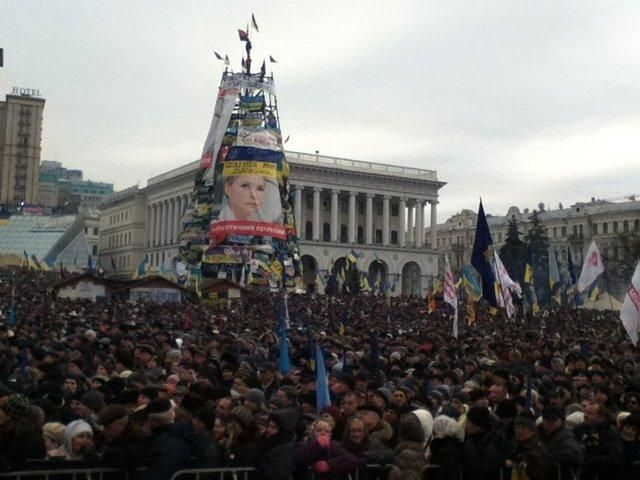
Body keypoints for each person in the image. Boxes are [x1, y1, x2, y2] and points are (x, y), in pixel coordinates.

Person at [294, 417, 359, 480]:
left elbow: (352, 460)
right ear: (313, 432)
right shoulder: (305, 444)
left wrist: (329, 465)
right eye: (319, 430)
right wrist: (317, 445)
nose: (323, 433)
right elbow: (298, 458)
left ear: (330, 434)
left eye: (326, 431)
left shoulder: (335, 445)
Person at [463, 406, 510, 480]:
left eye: (468, 422)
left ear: (479, 426)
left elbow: (485, 470)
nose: (465, 425)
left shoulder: (495, 442)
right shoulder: (472, 437)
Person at [537, 406, 584, 480]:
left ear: (561, 421)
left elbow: (574, 454)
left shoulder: (566, 436)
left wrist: (546, 456)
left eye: (553, 420)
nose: (549, 422)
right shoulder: (538, 434)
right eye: (546, 419)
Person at [341, 416, 394, 480]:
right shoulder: (341, 447)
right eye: (353, 431)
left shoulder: (374, 444)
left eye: (360, 431)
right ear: (348, 432)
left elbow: (389, 456)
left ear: (365, 432)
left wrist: (366, 457)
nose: (357, 434)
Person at [507, 412, 550, 480]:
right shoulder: (515, 442)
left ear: (532, 431)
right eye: (517, 427)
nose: (519, 431)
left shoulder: (538, 448)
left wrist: (514, 464)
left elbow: (537, 474)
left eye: (524, 428)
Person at [255, 410, 296, 480]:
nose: (268, 430)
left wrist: (260, 461)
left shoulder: (284, 448)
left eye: (274, 427)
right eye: (269, 426)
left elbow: (278, 474)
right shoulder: (267, 442)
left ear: (282, 430)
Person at [426, 415, 465, 480]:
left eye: (436, 428)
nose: (434, 432)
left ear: (441, 428)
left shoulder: (447, 448)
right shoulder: (453, 444)